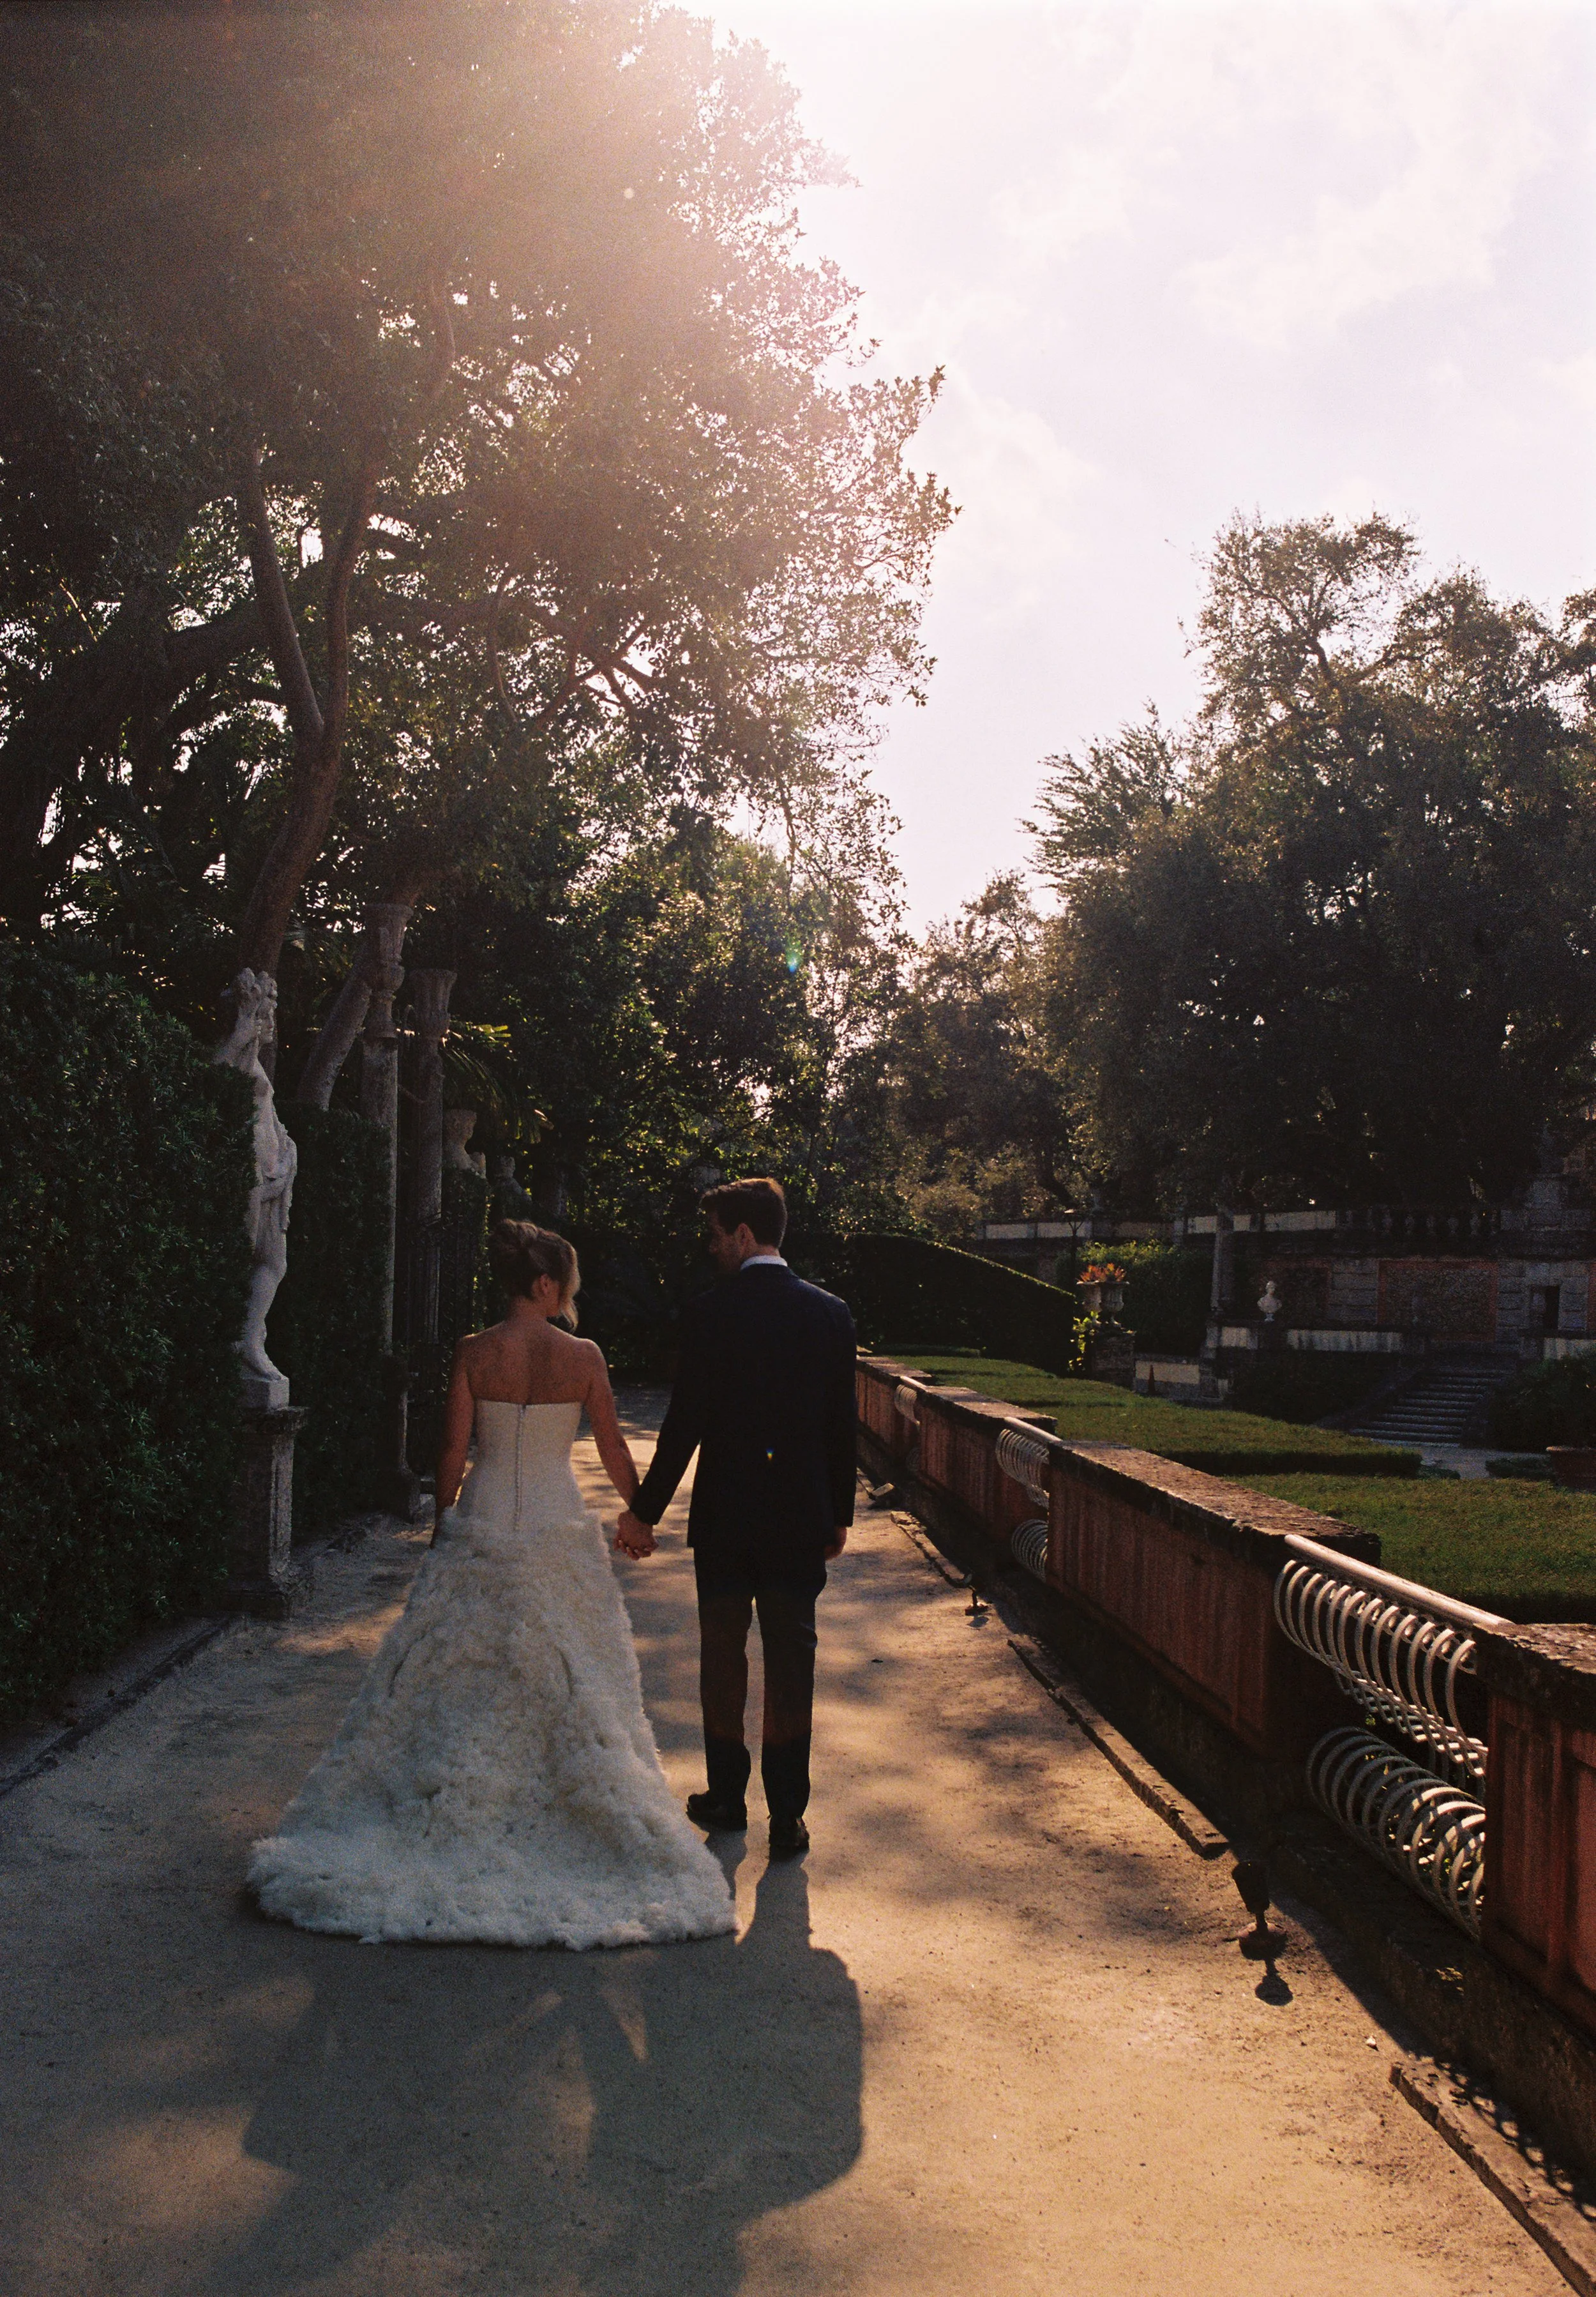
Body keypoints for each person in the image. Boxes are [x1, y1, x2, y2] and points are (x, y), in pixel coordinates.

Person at [249, 1222, 734, 1948]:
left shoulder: (475, 1352)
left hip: (484, 1520)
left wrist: (445, 1523)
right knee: (575, 1674)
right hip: (557, 1526)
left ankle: (449, 1803)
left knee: (449, 1671)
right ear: (546, 1286)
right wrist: (638, 1516)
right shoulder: (583, 1355)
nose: (572, 1293)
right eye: (567, 1281)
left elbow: (452, 1448)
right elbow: (609, 1448)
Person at [617, 1178, 857, 1861]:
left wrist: (643, 1513)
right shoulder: (831, 1315)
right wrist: (836, 1515)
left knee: (723, 1657)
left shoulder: (708, 1313)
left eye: (717, 1234)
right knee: (791, 1662)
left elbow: (683, 1426)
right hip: (798, 1520)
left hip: (725, 1519)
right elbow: (843, 1429)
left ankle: (727, 1797)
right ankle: (788, 1815)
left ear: (745, 1235)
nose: (712, 1247)